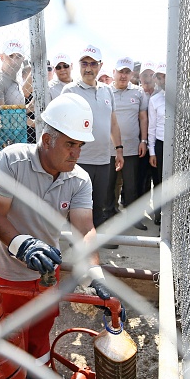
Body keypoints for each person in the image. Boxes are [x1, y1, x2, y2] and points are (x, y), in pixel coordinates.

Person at [0, 93, 121, 366]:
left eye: (80, 145)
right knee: (8, 337)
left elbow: (85, 230)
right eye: (70, 144)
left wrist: (96, 277)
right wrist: (22, 245)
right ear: (47, 140)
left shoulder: (79, 179)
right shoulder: (12, 161)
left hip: (48, 274)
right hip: (8, 274)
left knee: (40, 334)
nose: (77, 153)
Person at [61, 44, 124, 248]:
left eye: (93, 64)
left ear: (100, 66)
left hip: (103, 159)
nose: (89, 68)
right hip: (79, 159)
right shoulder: (70, 90)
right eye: (84, 63)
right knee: (78, 204)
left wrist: (119, 150)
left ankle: (93, 241)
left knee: (100, 202)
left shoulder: (107, 91)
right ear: (79, 65)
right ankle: (77, 243)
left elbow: (113, 123)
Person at [105, 56, 149, 230]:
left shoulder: (138, 93)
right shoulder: (105, 91)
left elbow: (143, 117)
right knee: (108, 184)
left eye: (127, 72)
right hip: (108, 149)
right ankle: (108, 215)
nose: (123, 75)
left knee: (131, 185)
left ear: (131, 73)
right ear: (113, 72)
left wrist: (143, 141)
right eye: (120, 71)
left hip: (131, 147)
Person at [0, 39, 26, 151]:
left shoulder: (15, 83)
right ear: (2, 57)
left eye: (18, 56)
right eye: (10, 56)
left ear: (23, 60)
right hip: (3, 144)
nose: (14, 61)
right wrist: (27, 118)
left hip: (17, 141)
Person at [137, 60, 160, 219]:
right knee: (142, 177)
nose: (148, 78)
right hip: (139, 141)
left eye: (151, 75)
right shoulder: (137, 93)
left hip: (156, 141)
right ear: (139, 77)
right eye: (145, 75)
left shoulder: (161, 94)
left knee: (157, 177)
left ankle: (158, 210)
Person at [147, 62, 167, 226]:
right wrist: (152, 151)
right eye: (159, 77)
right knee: (159, 181)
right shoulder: (155, 100)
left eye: (165, 76)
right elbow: (151, 128)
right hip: (160, 145)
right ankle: (159, 214)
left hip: (179, 146)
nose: (162, 79)